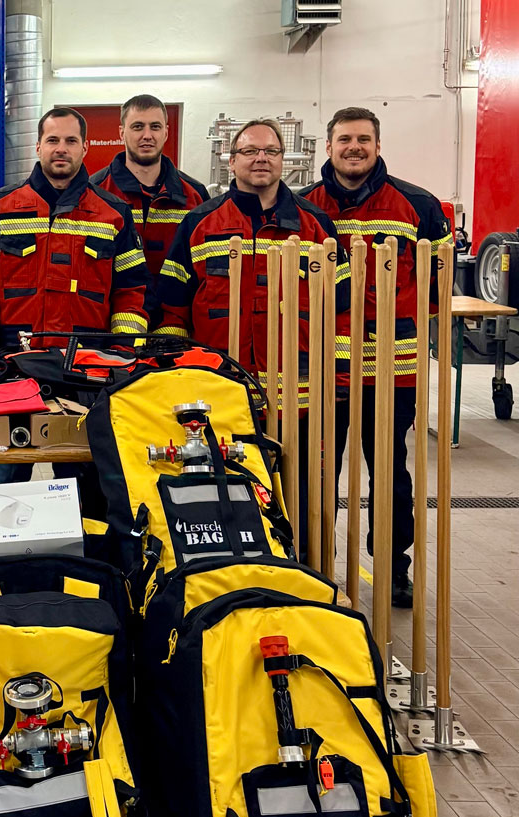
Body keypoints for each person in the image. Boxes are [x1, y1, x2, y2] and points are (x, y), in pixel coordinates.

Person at [155, 118, 349, 557]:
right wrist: (181, 381)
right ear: (232, 160)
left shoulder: (315, 226)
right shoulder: (199, 224)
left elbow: (338, 312)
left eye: (271, 152)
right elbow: (172, 311)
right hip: (222, 395)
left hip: (298, 401)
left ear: (285, 160)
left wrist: (333, 385)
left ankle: (306, 575)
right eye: (250, 151)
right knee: (224, 493)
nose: (261, 159)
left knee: (303, 498)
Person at [300, 108, 452, 606]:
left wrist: (403, 320)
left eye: (364, 139)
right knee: (318, 471)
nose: (354, 148)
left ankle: (392, 567)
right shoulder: (304, 207)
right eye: (345, 139)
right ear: (329, 147)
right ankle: (312, 562)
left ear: (378, 145)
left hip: (392, 369)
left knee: (389, 473)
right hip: (323, 371)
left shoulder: (419, 205)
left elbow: (441, 282)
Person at [0, 106, 151, 490]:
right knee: (8, 481)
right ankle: (7, 553)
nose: (60, 149)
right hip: (13, 370)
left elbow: (132, 292)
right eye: (52, 140)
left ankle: (80, 550)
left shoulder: (113, 214)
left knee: (82, 485)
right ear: (38, 146)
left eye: (70, 141)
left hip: (86, 375)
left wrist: (120, 359)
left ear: (85, 148)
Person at [90, 94, 210, 276]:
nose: (147, 136)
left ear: (166, 133)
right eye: (138, 127)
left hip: (174, 304)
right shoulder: (94, 191)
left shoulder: (195, 195)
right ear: (122, 133)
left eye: (155, 127)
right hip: (115, 304)